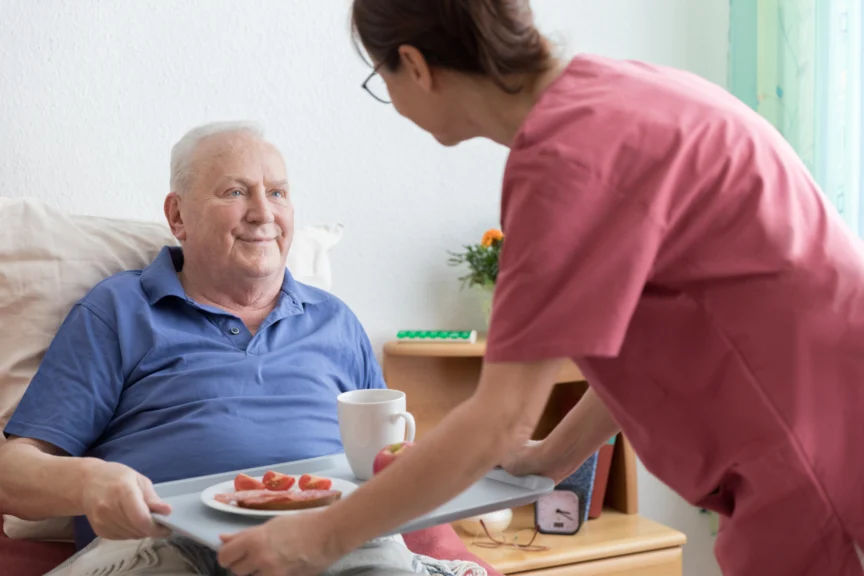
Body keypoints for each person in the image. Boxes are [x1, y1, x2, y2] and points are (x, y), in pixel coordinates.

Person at [216, 2, 864, 576]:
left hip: (819, 460)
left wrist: (316, 538)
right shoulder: (621, 92)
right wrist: (554, 454)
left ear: (413, 64)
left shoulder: (563, 161)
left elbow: (497, 419)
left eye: (379, 78)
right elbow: (647, 327)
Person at [0, 122, 430, 576]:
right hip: (166, 545)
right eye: (235, 192)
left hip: (332, 542)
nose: (263, 213)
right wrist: (88, 483)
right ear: (178, 216)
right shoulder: (119, 310)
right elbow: (13, 474)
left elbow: (392, 460)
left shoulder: (335, 320)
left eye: (278, 193)